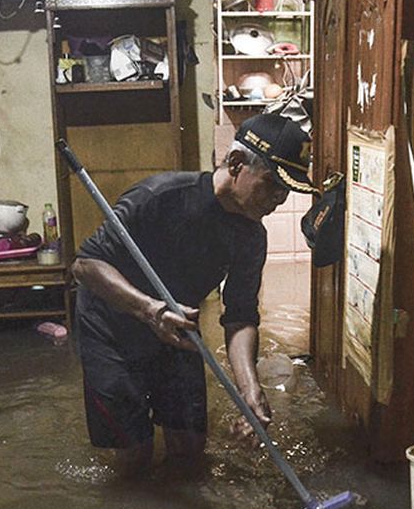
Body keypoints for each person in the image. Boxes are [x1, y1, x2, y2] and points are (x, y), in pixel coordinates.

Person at [70, 113, 317, 474]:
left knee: (189, 453)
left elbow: (240, 317)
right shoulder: (160, 197)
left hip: (176, 331)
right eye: (271, 185)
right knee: (134, 461)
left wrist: (250, 391)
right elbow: (86, 265)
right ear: (236, 164)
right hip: (112, 330)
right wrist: (150, 311)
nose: (278, 199)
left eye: (286, 190)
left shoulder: (250, 237)